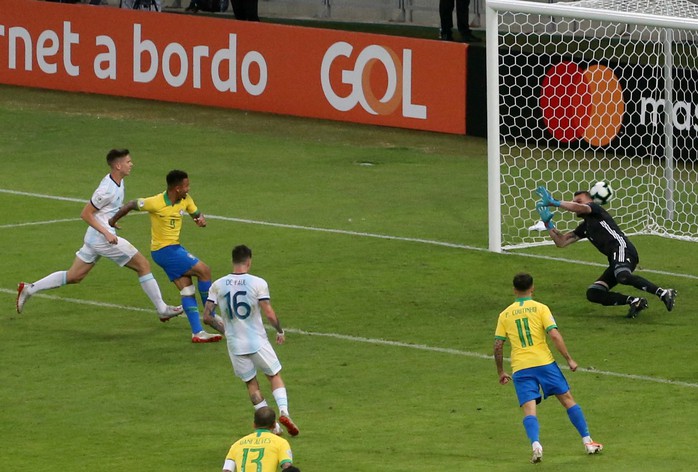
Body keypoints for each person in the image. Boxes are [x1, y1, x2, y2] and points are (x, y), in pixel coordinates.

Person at [16, 149, 182, 322]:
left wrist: (111, 221)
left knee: (74, 276)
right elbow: (86, 213)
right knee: (143, 265)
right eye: (128, 162)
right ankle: (162, 309)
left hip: (96, 236)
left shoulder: (118, 181)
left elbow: (105, 210)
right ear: (118, 165)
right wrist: (106, 232)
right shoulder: (106, 190)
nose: (131, 164)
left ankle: (29, 289)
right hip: (102, 239)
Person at [494, 272, 603, 464]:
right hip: (544, 363)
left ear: (514, 290)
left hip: (521, 367)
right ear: (532, 288)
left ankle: (536, 445)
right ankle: (588, 442)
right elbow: (554, 335)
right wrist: (569, 359)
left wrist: (501, 371)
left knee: (529, 411)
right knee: (567, 400)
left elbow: (498, 345)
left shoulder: (505, 315)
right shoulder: (541, 308)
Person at [108, 169, 222, 343]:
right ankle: (211, 315)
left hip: (173, 248)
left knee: (187, 289)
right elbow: (132, 204)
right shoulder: (156, 202)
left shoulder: (186, 200)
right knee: (204, 271)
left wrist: (200, 220)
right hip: (165, 251)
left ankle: (197, 332)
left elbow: (196, 214)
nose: (188, 189)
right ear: (177, 188)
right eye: (186, 186)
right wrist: (112, 221)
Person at [536, 185, 677, 318]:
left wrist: (554, 202)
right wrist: (548, 224)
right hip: (615, 258)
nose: (575, 205)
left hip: (622, 249)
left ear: (589, 201)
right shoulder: (585, 227)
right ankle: (635, 301)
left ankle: (664, 293)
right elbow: (561, 242)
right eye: (574, 202)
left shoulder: (595, 210)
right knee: (594, 293)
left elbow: (579, 208)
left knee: (622, 276)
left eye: (578, 201)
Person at [203, 244, 300, 436]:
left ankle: (274, 427)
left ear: (233, 261)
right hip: (257, 341)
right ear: (249, 261)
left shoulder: (218, 285)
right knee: (274, 375)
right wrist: (280, 331)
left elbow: (207, 316)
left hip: (235, 345)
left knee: (251, 384)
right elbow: (270, 314)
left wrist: (227, 331)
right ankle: (284, 412)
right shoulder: (258, 283)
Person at [222, 406, 300, 472]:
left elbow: (227, 470)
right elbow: (287, 467)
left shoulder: (237, 444)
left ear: (254, 424)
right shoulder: (281, 443)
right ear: (274, 425)